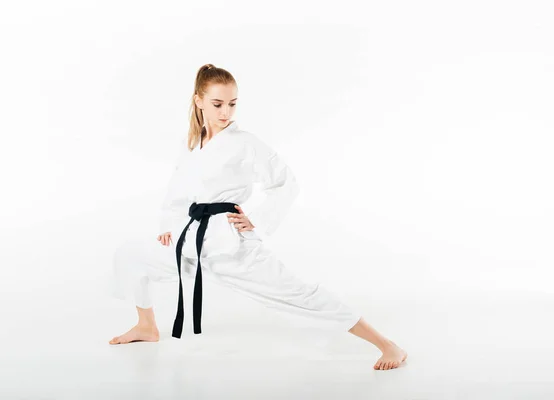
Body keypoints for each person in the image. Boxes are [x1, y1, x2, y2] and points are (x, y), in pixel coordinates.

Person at [108, 63, 407, 371]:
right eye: (218, 104)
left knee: (300, 294)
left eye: (232, 104)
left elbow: (286, 182)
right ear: (199, 101)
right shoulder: (193, 143)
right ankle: (146, 326)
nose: (226, 112)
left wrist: (257, 221)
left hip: (231, 245)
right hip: (191, 241)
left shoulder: (245, 143)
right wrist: (168, 227)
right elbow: (178, 189)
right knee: (131, 253)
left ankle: (387, 345)